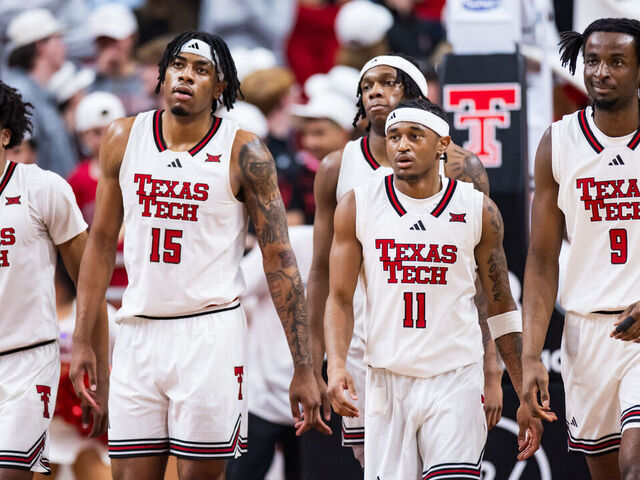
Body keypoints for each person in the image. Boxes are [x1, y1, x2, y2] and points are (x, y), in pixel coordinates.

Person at [70, 31, 327, 480]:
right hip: (137, 332)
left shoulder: (245, 151)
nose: (186, 75)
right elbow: (100, 241)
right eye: (178, 65)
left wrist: (303, 365)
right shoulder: (122, 137)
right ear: (163, 73)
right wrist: (85, 337)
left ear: (220, 86)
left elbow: (280, 260)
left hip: (209, 333)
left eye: (201, 69)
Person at [325, 99, 542, 479]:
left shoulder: (478, 210)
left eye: (414, 136)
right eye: (394, 137)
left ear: (443, 144)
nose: (401, 146)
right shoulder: (358, 205)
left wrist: (520, 387)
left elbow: (500, 304)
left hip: (455, 375)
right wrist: (338, 365)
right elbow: (340, 299)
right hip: (386, 377)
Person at [306, 54, 502, 466]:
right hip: (366, 348)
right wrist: (314, 362)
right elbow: (322, 276)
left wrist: (492, 365)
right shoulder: (337, 167)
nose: (375, 91)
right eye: (366, 86)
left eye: (388, 82)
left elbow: (486, 282)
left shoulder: (464, 168)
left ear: (414, 93)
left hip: (448, 348)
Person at [522, 18, 640, 480]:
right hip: (586, 332)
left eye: (617, 61)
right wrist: (531, 355)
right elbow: (541, 258)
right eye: (593, 60)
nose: (601, 72)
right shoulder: (559, 141)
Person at [0, 80, 108, 478]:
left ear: (6, 134)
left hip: (26, 360)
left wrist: (102, 375)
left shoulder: (43, 188)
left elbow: (89, 282)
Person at [3, 8, 78, 177]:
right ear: (41, 45)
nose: (64, 46)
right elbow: (19, 161)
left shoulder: (38, 93)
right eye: (58, 38)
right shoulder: (21, 95)